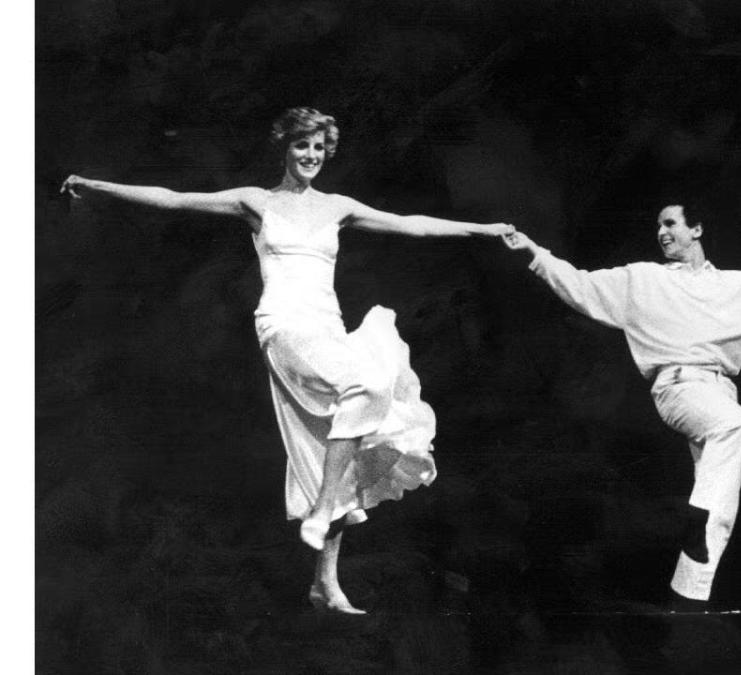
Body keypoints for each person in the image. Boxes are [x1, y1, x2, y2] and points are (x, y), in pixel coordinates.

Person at [61, 106, 514, 614]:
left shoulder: (338, 206)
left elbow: (412, 225)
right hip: (283, 325)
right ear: (285, 148)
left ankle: (325, 583)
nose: (311, 156)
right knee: (366, 387)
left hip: (327, 328)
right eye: (303, 146)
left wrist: (484, 229)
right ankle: (320, 513)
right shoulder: (256, 202)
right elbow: (174, 200)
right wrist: (96, 185)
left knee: (340, 442)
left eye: (320, 148)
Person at [502, 204, 741, 605]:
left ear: (698, 229)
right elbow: (580, 285)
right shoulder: (643, 279)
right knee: (736, 428)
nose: (662, 232)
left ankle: (687, 595)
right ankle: (696, 521)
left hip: (719, 391)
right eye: (658, 226)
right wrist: (536, 252)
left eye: (671, 223)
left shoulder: (736, 287)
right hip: (680, 386)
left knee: (722, 496)